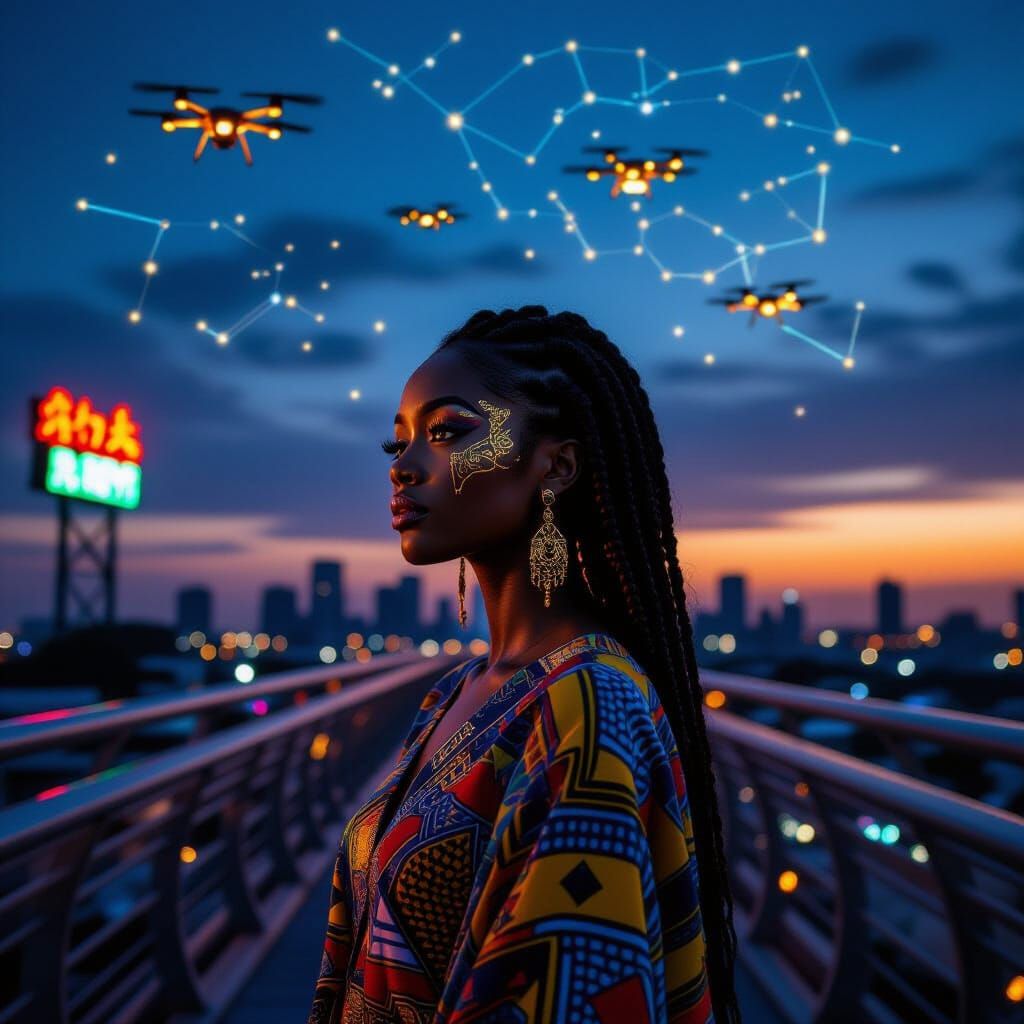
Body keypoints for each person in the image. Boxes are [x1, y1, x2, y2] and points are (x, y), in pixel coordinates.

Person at [308, 306, 741, 1023]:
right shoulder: (454, 692)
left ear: (556, 465)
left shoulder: (590, 704)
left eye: (447, 432)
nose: (403, 465)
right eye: (400, 438)